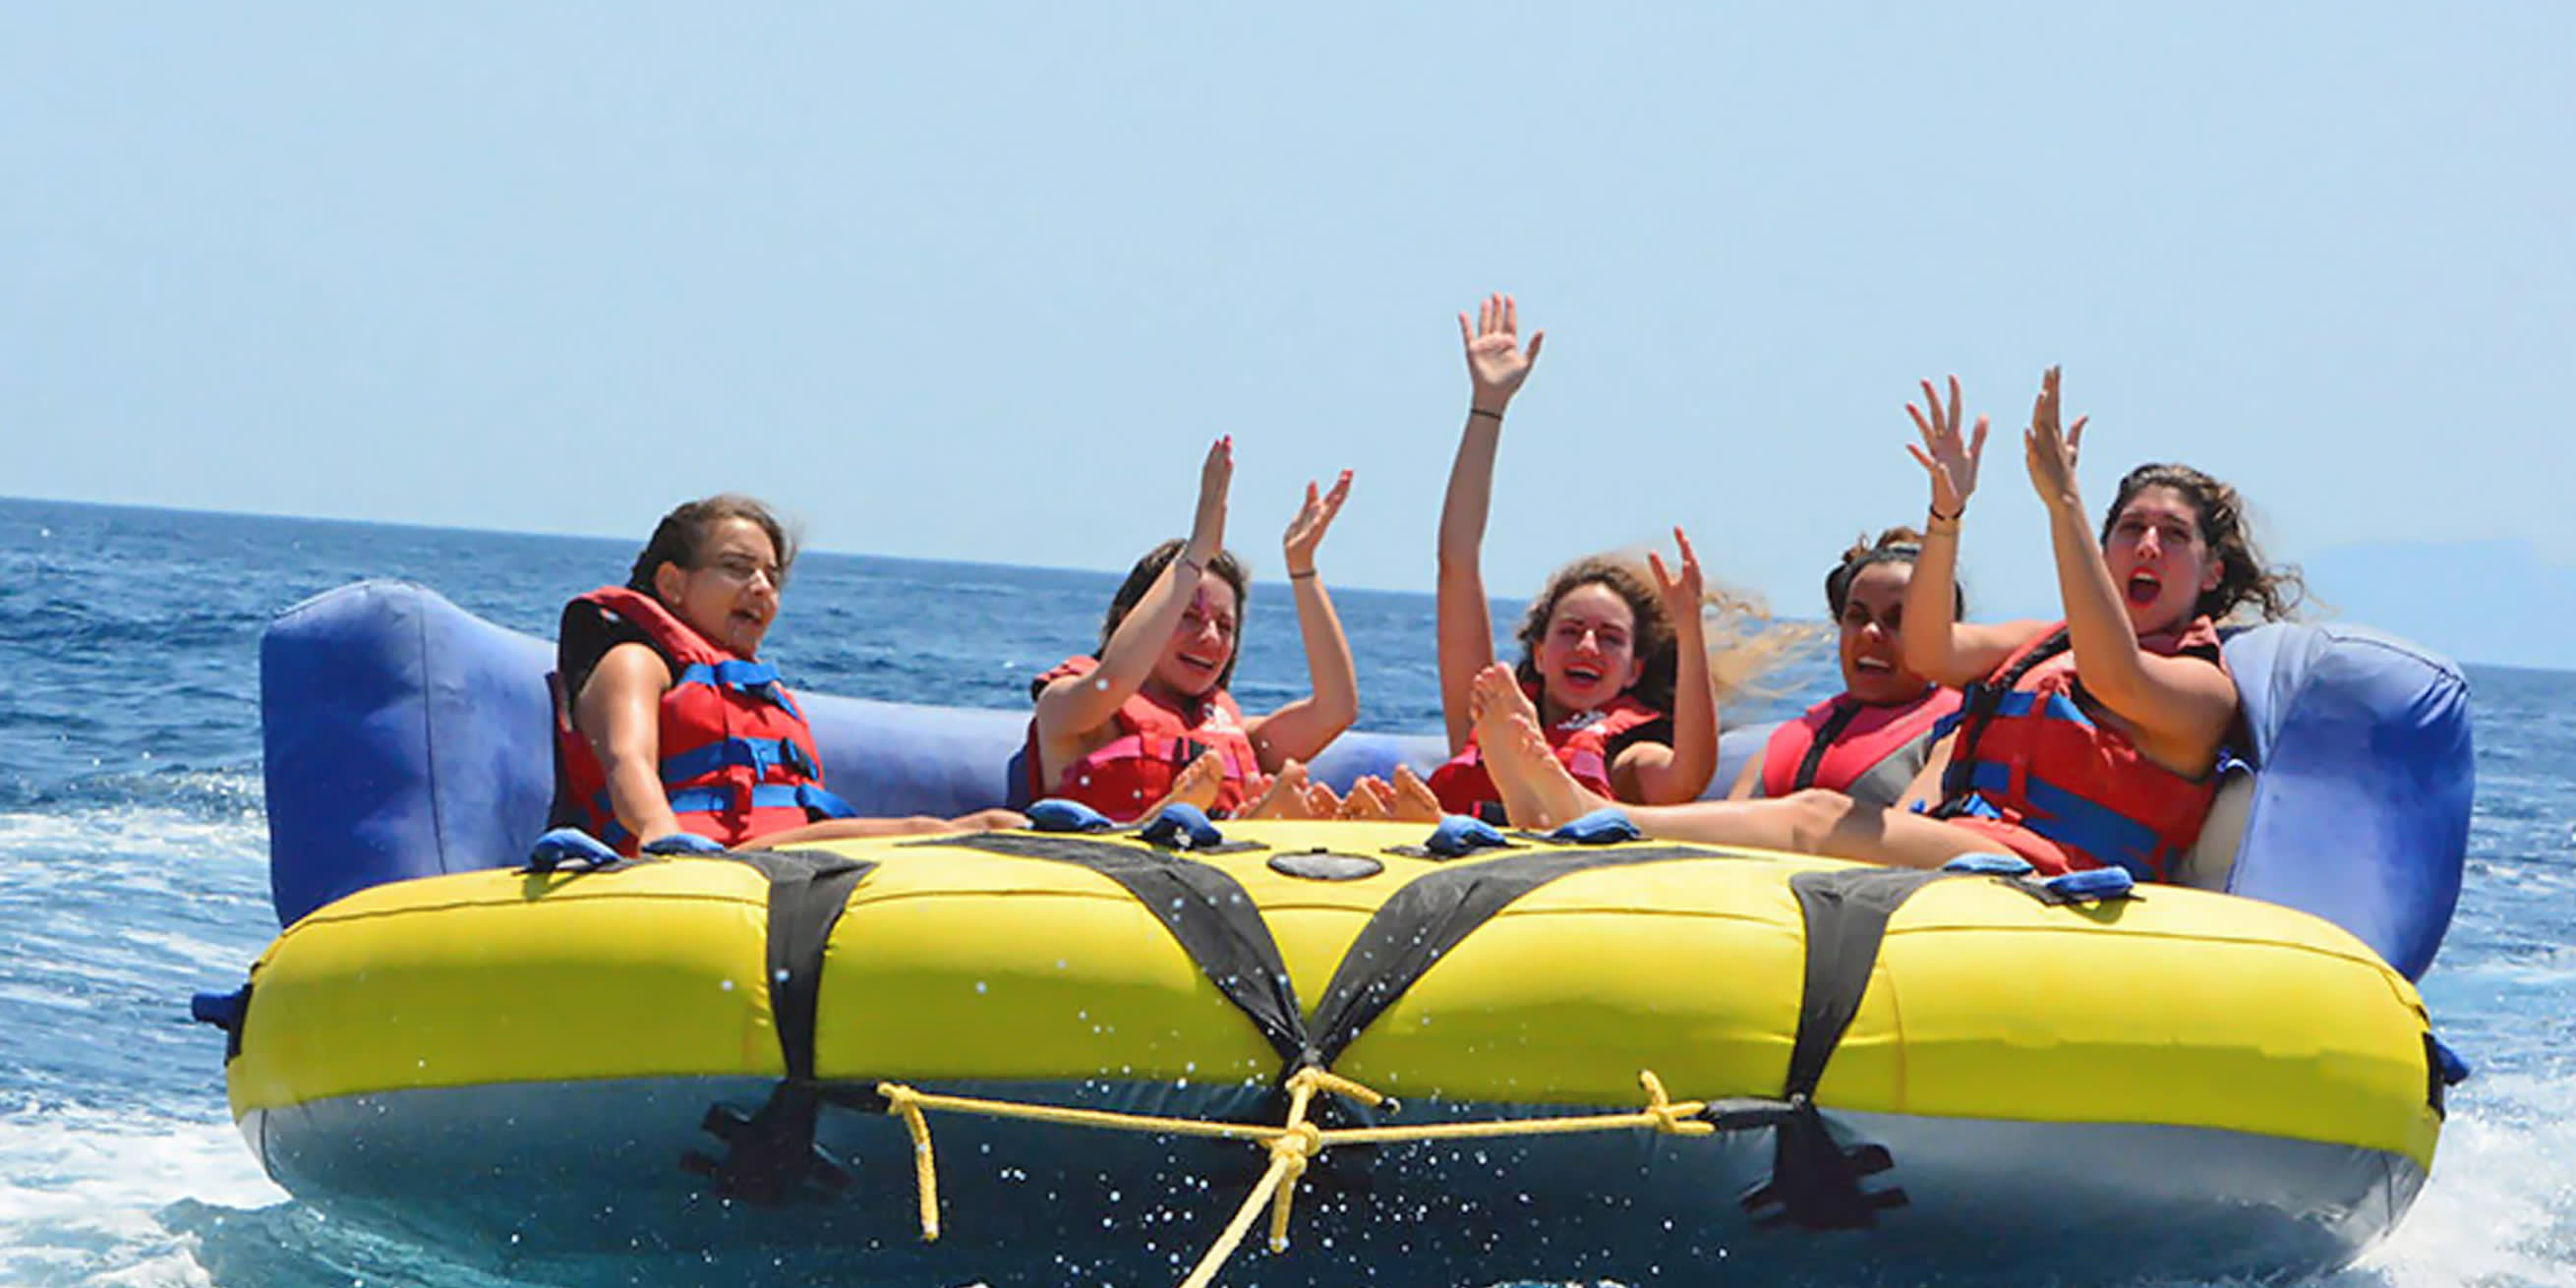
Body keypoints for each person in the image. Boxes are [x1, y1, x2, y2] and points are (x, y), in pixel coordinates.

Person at [1463, 368, 2299, 883]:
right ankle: (1574, 820)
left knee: (1816, 816)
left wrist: (2064, 505)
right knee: (1810, 826)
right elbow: (1930, 650)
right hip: (1968, 846)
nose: (2146, 546)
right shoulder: (2045, 644)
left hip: (2056, 875)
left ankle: (1586, 814)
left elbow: (2118, 679)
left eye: (2172, 536)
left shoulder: (2201, 690)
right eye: (2130, 529)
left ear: (2211, 573)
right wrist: (1946, 517)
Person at [555, 495, 1017, 853]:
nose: (761, 587)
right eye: (737, 568)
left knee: (997, 827)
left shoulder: (750, 685)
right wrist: (661, 837)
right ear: (672, 583)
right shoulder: (635, 661)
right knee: (953, 831)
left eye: (772, 578)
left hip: (776, 861)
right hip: (707, 862)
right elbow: (626, 758)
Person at [1428, 293, 1719, 819]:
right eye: (1570, 630)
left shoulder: (1628, 757)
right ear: (1539, 654)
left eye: (1611, 638)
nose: (1588, 646)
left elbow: (1686, 779)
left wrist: (1689, 629)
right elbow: (1457, 561)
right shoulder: (1490, 714)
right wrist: (1488, 407)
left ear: (1633, 672)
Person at [1025, 438, 1362, 820]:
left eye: (1226, 625)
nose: (1211, 638)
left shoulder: (1241, 736)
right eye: (1188, 616)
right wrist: (1196, 552)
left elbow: (1336, 709)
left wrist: (1303, 568)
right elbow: (1114, 680)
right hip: (1108, 852)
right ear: (1130, 618)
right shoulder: (1069, 708)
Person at [1728, 528, 1961, 808]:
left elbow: (1912, 825)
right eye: (1857, 616)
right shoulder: (1788, 738)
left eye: (1897, 620)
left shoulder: (1954, 735)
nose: (1870, 632)